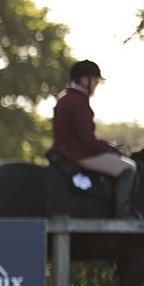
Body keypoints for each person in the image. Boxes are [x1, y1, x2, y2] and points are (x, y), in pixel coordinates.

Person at [46, 60, 140, 219]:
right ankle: (123, 213)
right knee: (128, 168)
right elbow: (87, 139)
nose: (96, 83)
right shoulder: (79, 101)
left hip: (62, 150)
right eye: (95, 79)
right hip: (78, 154)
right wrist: (110, 147)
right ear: (84, 80)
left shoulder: (64, 97)